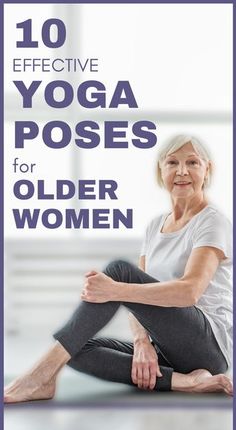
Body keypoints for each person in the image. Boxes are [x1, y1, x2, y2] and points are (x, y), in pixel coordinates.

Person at [4, 135, 233, 403]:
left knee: (118, 271)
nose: (182, 171)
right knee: (75, 347)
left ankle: (39, 376)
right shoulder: (154, 226)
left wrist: (114, 289)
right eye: (172, 162)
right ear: (161, 170)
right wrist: (141, 342)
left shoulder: (212, 222)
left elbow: (188, 293)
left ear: (207, 170)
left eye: (192, 162)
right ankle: (186, 381)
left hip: (206, 346)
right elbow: (138, 300)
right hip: (167, 349)